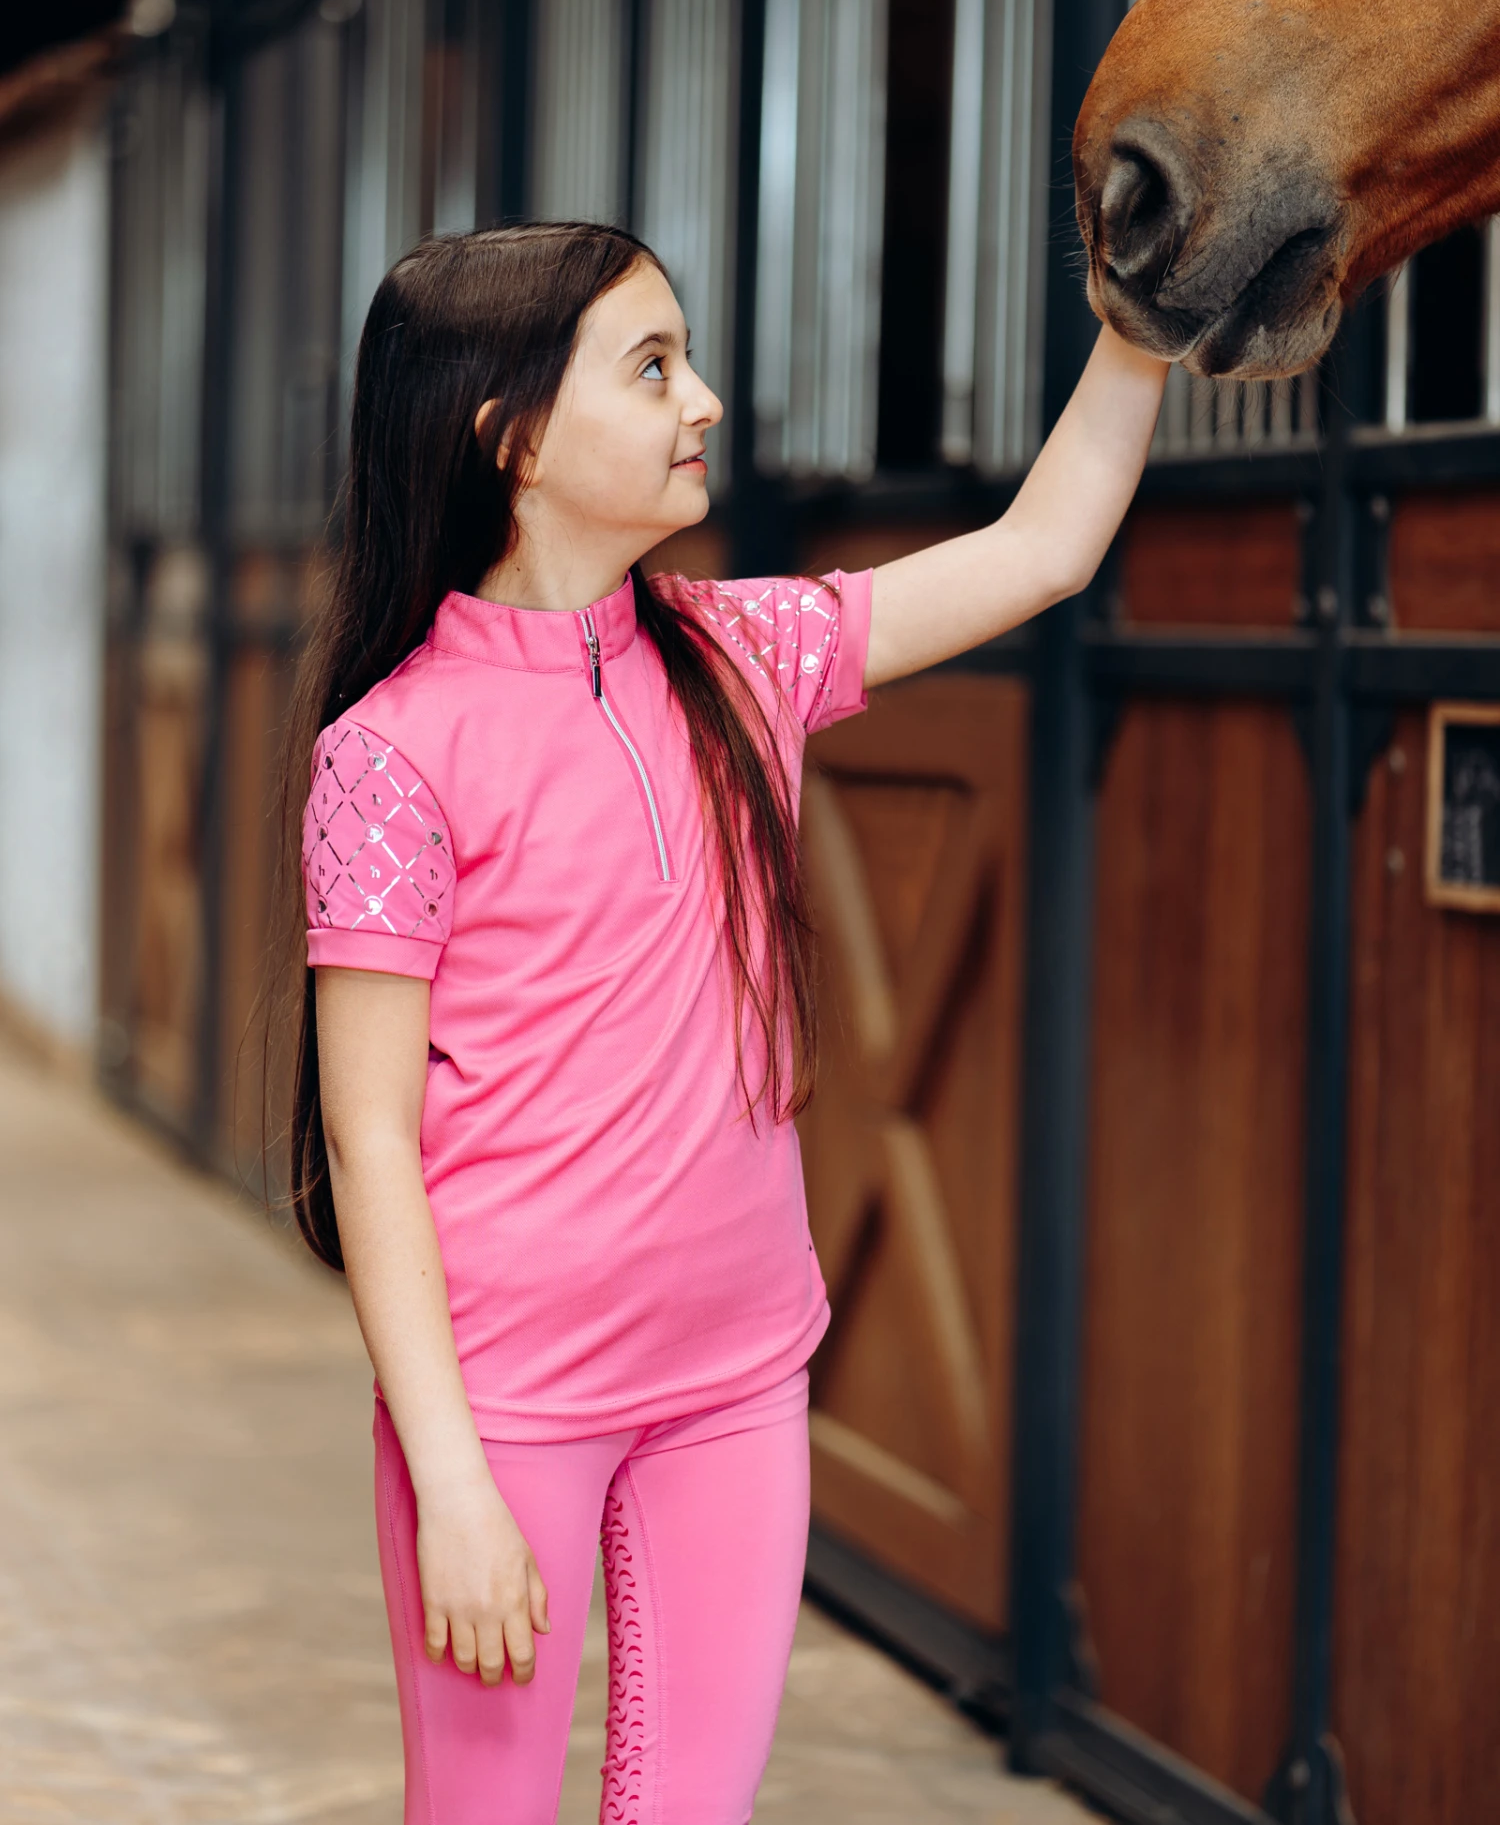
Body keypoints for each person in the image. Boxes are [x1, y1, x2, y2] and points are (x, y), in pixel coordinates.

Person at [282, 221, 1167, 1825]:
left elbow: (1044, 548)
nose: (703, 399)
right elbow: (371, 1139)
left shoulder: (744, 652)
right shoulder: (393, 753)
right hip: (508, 1402)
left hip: (739, 1377)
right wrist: (452, 1478)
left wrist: (1147, 319)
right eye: (652, 366)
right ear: (515, 439)